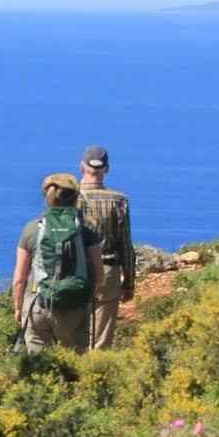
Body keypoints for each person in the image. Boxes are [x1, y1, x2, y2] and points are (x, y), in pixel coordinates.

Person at [13, 172, 100, 354]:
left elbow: (19, 279)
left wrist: (18, 309)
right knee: (75, 366)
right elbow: (98, 272)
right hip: (74, 308)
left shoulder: (32, 229)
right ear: (76, 197)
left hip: (38, 304)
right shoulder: (87, 229)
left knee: (38, 367)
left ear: (47, 197)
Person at [77, 144, 136, 349]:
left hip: (76, 272)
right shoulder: (119, 201)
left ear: (81, 167)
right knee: (101, 342)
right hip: (108, 271)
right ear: (106, 169)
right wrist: (128, 282)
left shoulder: (68, 198)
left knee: (75, 337)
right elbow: (125, 245)